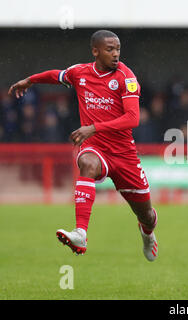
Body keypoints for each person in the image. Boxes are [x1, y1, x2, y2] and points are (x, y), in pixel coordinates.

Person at [8, 30, 158, 261]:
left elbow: (132, 119)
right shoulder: (80, 73)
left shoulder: (126, 78)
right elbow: (56, 75)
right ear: (95, 51)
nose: (116, 54)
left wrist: (94, 127)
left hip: (124, 155)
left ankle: (147, 234)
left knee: (147, 214)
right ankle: (80, 233)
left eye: (118, 49)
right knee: (86, 163)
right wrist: (30, 80)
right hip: (96, 148)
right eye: (110, 49)